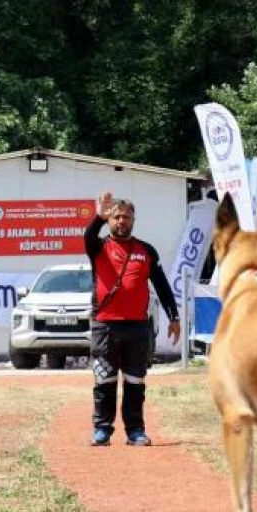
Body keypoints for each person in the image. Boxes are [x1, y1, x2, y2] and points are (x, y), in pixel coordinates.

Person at [85, 191, 181, 447]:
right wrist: (97, 217)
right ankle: (102, 430)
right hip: (105, 325)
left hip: (138, 327)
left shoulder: (146, 250)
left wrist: (174, 316)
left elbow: (161, 285)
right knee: (104, 379)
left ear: (133, 220)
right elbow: (87, 236)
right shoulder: (98, 247)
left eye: (126, 217)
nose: (121, 221)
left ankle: (135, 431)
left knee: (135, 381)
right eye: (116, 217)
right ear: (109, 220)